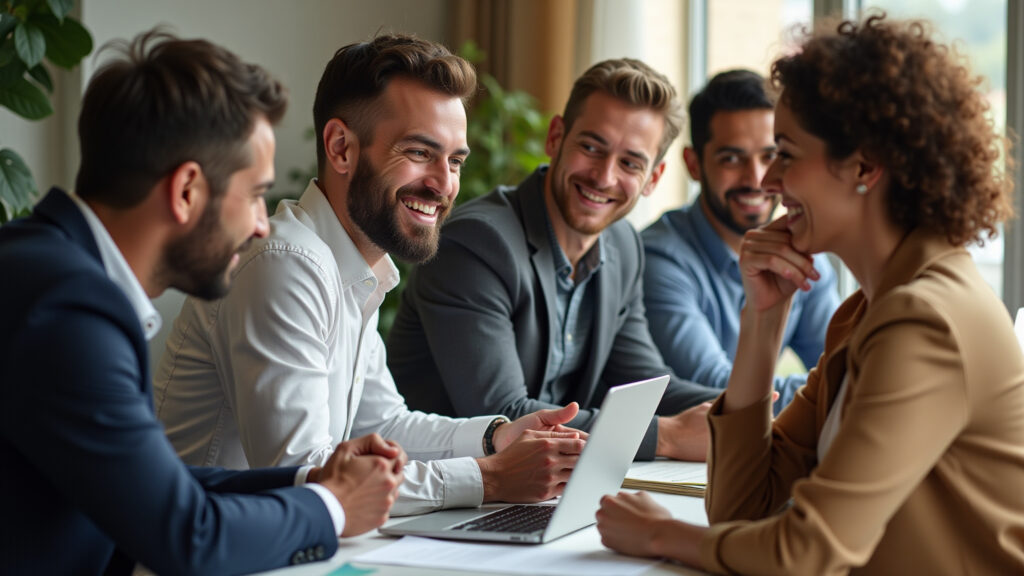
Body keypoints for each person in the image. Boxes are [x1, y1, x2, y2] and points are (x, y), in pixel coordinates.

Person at [596, 15, 1024, 574]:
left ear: (865, 166)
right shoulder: (866, 313)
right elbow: (742, 509)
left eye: (786, 154)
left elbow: (808, 552)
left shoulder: (925, 321)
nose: (768, 181)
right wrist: (763, 320)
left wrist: (660, 535)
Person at [0, 31, 406, 575]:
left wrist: (311, 481)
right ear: (187, 190)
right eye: (256, 193)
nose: (263, 223)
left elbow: (155, 482)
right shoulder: (68, 309)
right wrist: (334, 508)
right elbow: (187, 536)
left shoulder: (50, 268)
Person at [154, 34, 586, 516]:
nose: (445, 184)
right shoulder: (284, 262)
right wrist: (492, 478)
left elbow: (382, 425)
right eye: (420, 153)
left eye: (455, 160)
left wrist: (497, 437)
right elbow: (306, 475)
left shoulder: (356, 268)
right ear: (341, 148)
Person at [387, 58, 722, 462]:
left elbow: (644, 387)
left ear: (653, 178)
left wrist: (759, 412)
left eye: (630, 163)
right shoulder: (476, 243)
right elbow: (505, 417)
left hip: (538, 487)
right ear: (556, 137)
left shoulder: (622, 246)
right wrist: (666, 437)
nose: (603, 176)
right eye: (591, 147)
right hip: (440, 490)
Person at [641, 69, 839, 409]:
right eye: (731, 159)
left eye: (772, 156)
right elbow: (717, 389)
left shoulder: (806, 255)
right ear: (694, 164)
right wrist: (842, 388)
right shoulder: (658, 258)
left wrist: (850, 384)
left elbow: (841, 366)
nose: (758, 179)